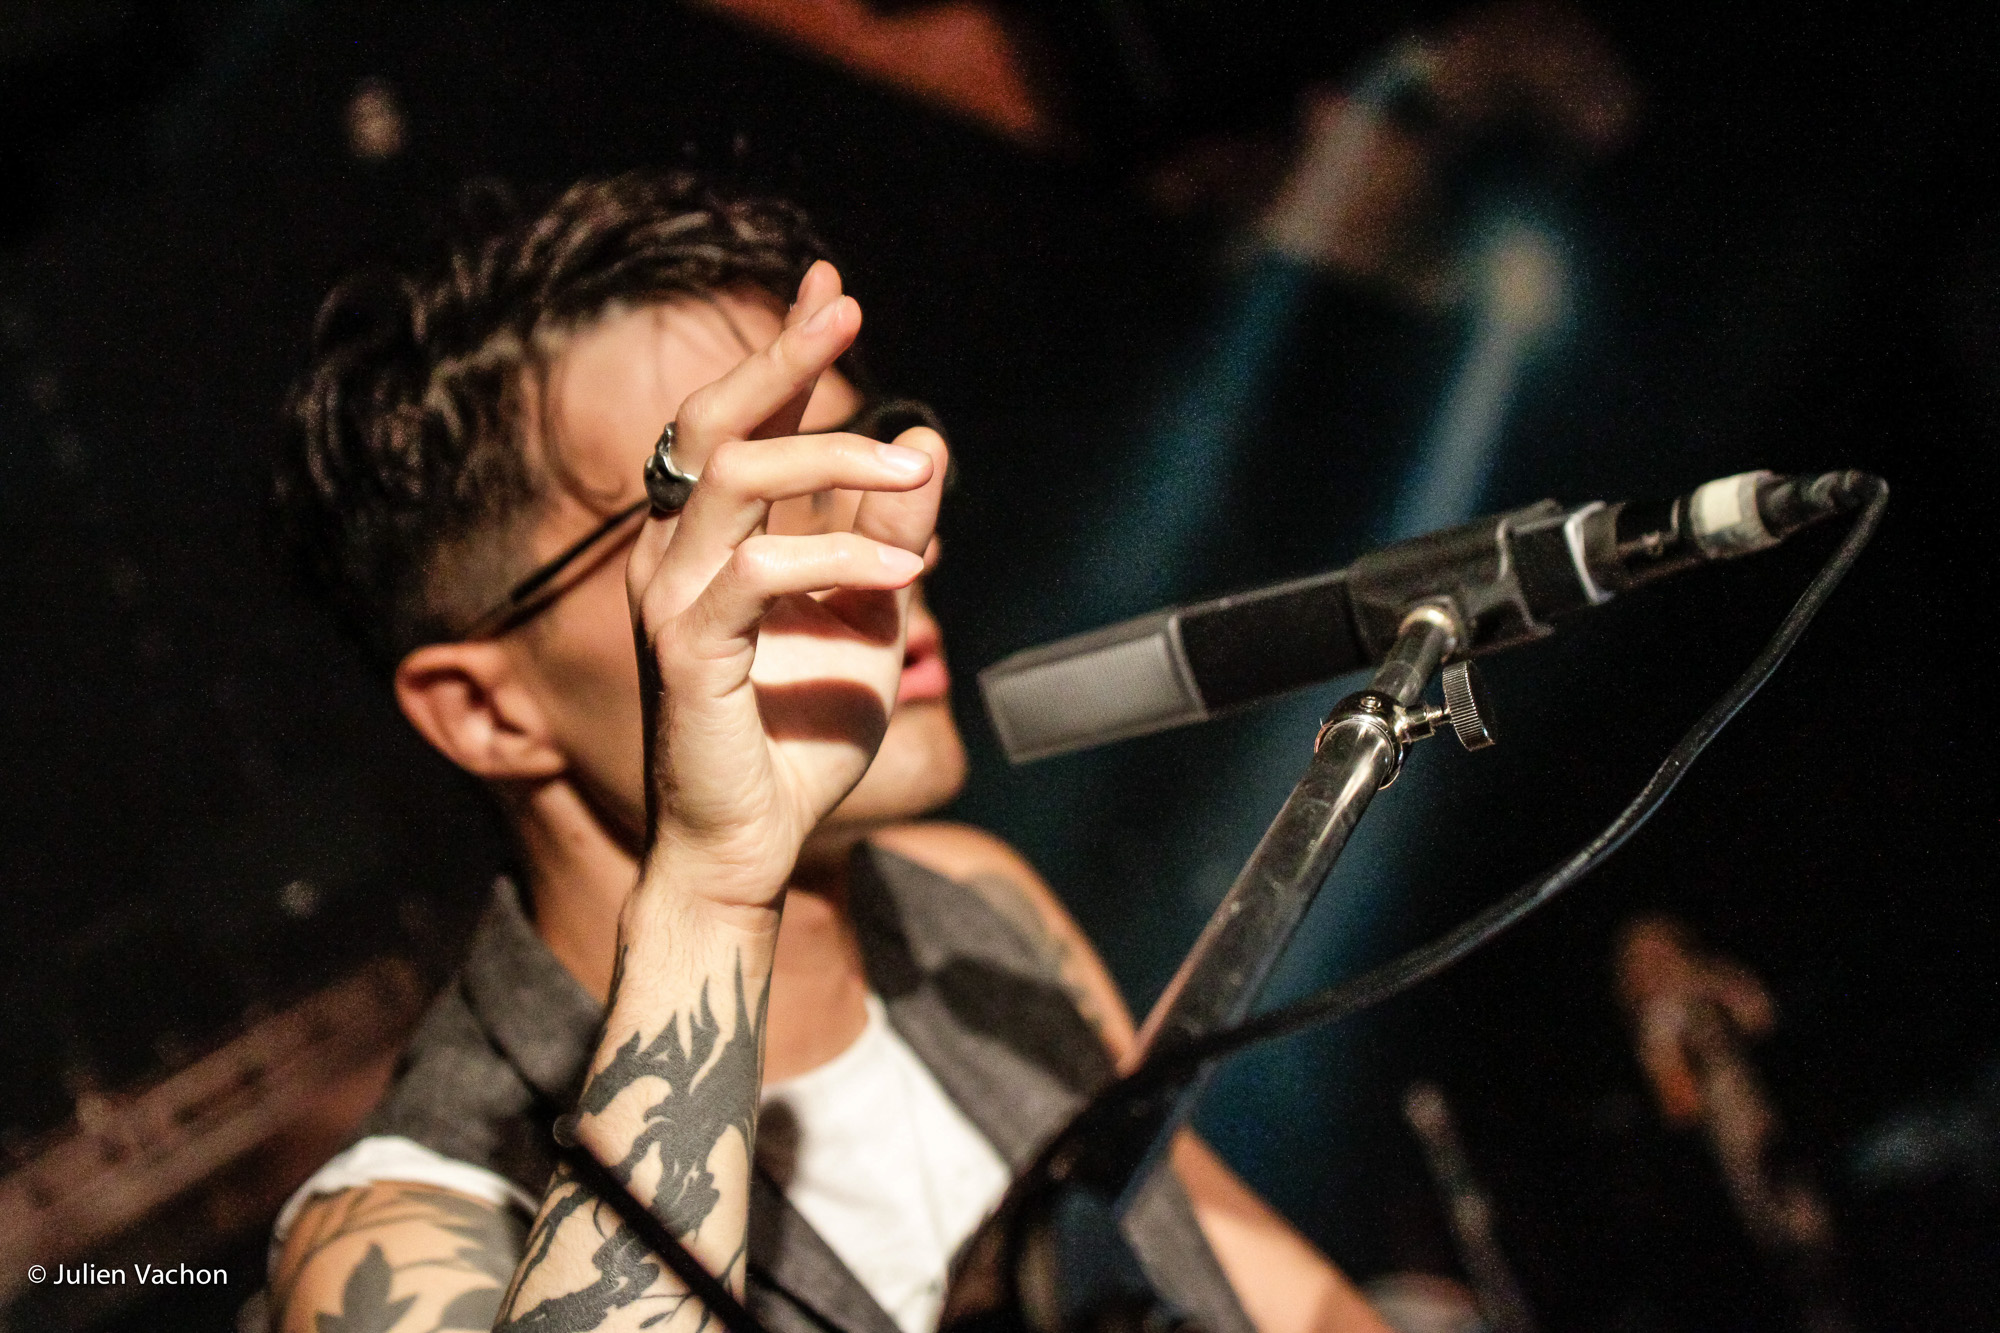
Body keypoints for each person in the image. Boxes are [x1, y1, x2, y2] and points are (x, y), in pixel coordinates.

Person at [265, 170, 1394, 1333]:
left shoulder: (973, 904)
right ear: (485, 710)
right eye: (753, 500)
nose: (891, 545)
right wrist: (712, 884)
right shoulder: (403, 1231)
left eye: (859, 456)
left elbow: (1273, 1291)